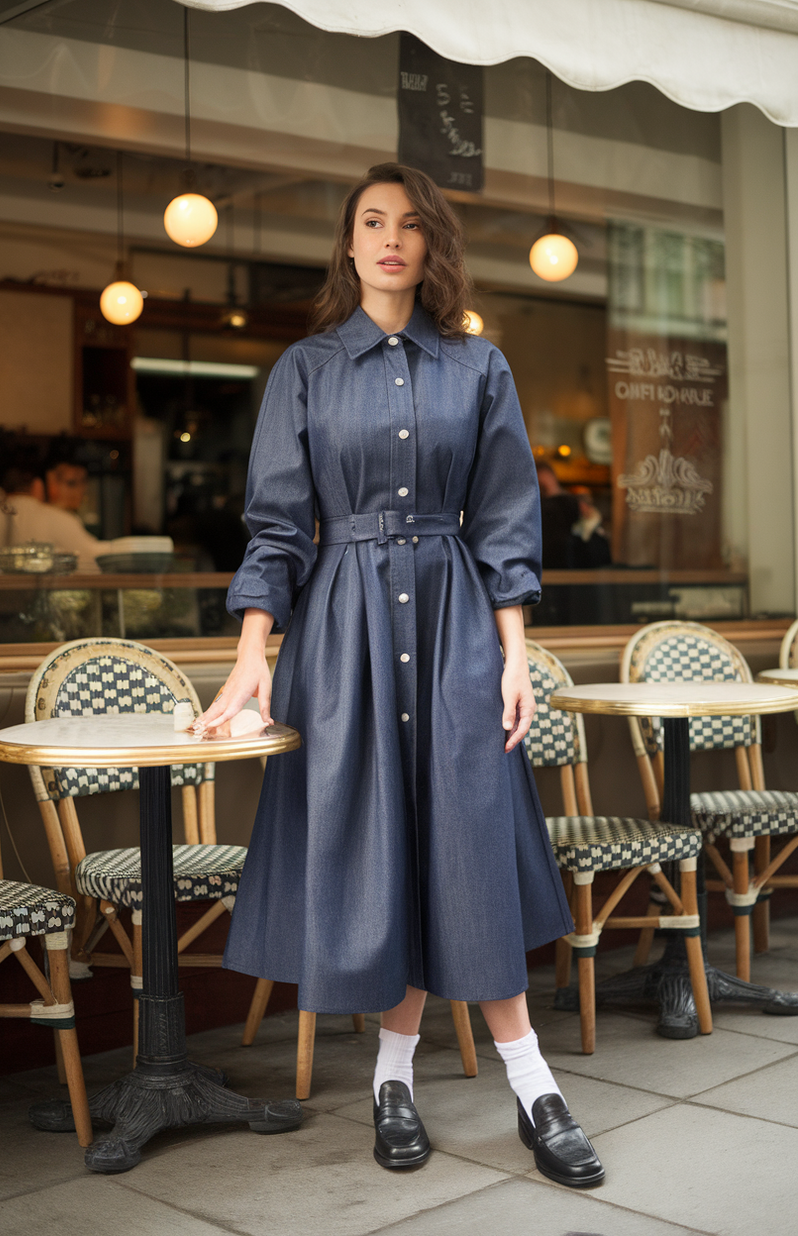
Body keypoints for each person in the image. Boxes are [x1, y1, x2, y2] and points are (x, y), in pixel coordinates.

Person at [196, 163, 604, 1188]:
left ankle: (530, 1083)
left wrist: (514, 655)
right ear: (347, 243)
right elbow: (279, 528)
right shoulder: (304, 367)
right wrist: (253, 653)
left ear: (431, 246)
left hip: (461, 621)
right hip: (342, 632)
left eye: (410, 224)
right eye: (371, 222)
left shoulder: (480, 368)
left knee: (464, 837)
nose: (390, 238)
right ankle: (392, 1079)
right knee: (381, 848)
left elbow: (507, 518)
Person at [0, 444, 109, 572]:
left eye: (83, 483)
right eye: (71, 483)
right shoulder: (57, 519)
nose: (82, 491)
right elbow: (95, 566)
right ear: (39, 485)